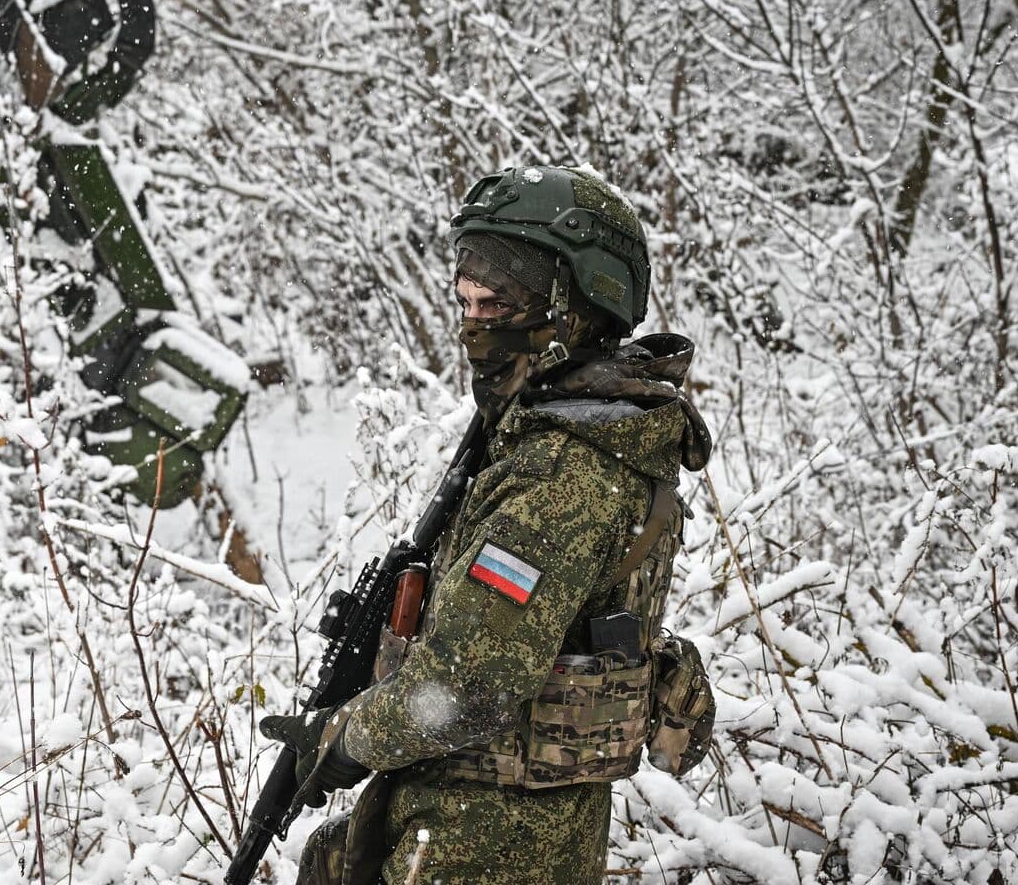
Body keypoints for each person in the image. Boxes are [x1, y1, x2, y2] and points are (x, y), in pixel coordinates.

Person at [261, 164, 716, 884]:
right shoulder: (566, 436)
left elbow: (468, 686)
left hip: (491, 843)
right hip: (484, 827)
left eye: (497, 301)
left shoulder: (560, 476)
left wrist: (346, 738)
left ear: (577, 303)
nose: (474, 323)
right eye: (465, 299)